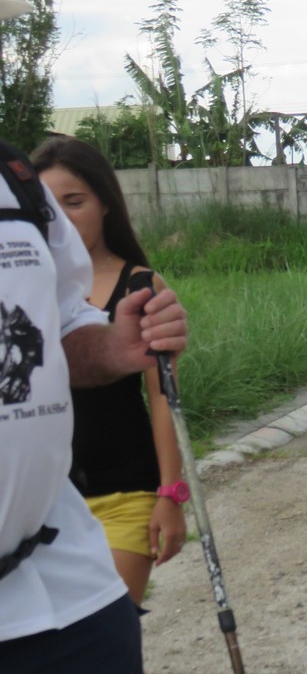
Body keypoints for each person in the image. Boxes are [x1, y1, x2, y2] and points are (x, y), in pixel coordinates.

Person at [0, 52, 189, 674]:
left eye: (77, 199)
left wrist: (115, 346)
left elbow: (61, 325)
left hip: (70, 565)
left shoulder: (16, 186)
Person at [31, 135, 187, 609]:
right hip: (44, 505)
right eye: (48, 206)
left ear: (105, 203)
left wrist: (170, 493)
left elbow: (163, 397)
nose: (61, 218)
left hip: (126, 492)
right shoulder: (23, 288)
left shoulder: (140, 287)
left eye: (74, 202)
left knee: (110, 625)